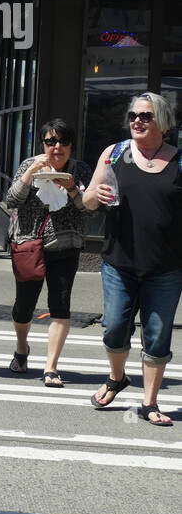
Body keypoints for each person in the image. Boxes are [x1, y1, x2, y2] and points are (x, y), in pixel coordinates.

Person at [83, 92, 182, 426]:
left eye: (146, 116)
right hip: (119, 262)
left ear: (163, 122)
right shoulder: (115, 154)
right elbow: (88, 201)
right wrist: (93, 194)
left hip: (165, 267)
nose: (137, 121)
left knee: (157, 335)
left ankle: (150, 403)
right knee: (113, 329)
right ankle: (117, 377)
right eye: (133, 116)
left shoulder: (178, 160)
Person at [0, 119, 91, 385]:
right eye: (51, 141)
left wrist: (72, 187)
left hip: (65, 246)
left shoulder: (80, 170)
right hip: (29, 246)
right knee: (23, 307)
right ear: (43, 144)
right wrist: (30, 175)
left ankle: (51, 367)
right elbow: (11, 200)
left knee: (60, 306)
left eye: (63, 141)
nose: (57, 147)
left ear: (71, 145)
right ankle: (21, 348)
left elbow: (88, 208)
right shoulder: (30, 165)